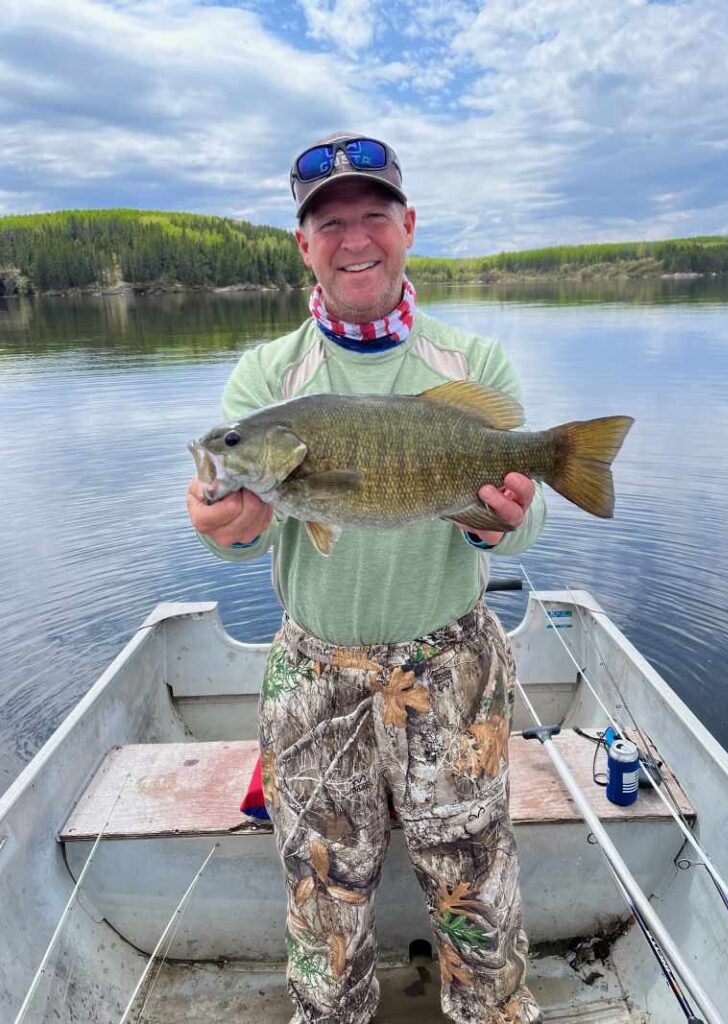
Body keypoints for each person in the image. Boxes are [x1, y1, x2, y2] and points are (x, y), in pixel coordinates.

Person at [187, 132, 546, 1024]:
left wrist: (498, 517)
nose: (355, 239)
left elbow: (524, 524)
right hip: (315, 676)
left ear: (408, 226)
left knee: (476, 887)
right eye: (330, 222)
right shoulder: (270, 376)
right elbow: (240, 534)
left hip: (452, 666)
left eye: (373, 215)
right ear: (303, 244)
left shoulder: (472, 367)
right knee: (323, 904)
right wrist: (221, 526)